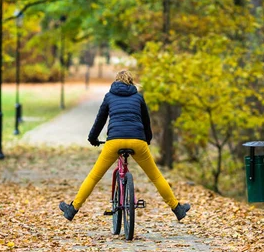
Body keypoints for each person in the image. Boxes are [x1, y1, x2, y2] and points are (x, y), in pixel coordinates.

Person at [59, 70, 191, 221]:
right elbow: (146, 122)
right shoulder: (138, 97)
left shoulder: (109, 97)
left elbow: (100, 120)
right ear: (131, 82)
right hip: (137, 141)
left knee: (94, 176)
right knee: (156, 176)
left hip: (114, 141)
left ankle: (72, 209)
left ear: (116, 82)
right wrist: (146, 140)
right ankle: (177, 209)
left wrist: (92, 138)